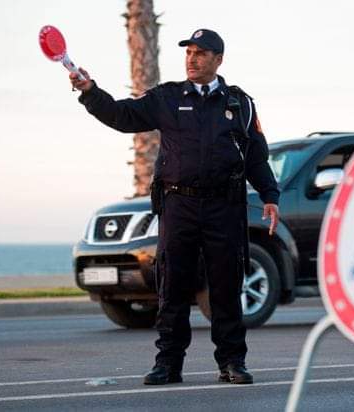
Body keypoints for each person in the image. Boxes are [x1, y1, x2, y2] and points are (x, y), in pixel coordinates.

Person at [70, 28, 280, 385]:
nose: (192, 59)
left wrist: (270, 196)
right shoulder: (167, 98)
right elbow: (123, 116)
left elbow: (256, 156)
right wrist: (90, 92)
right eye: (189, 53)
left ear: (218, 60)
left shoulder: (239, 103)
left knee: (226, 286)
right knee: (173, 287)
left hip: (224, 206)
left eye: (201, 53)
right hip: (178, 204)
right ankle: (168, 364)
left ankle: (231, 362)